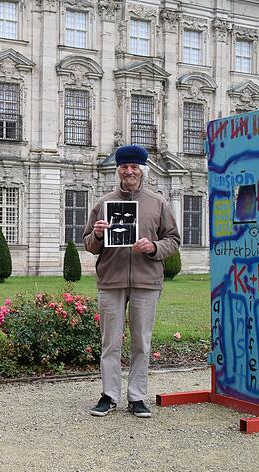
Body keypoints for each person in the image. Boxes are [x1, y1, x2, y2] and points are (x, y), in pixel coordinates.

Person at [83, 145, 181, 418]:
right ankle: (109, 395)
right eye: (124, 167)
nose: (129, 171)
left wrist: (152, 248)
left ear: (143, 170)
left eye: (134, 167)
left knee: (141, 342)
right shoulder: (103, 203)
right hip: (111, 281)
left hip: (146, 281)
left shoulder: (157, 202)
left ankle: (137, 397)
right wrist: (99, 235)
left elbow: (173, 240)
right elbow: (89, 244)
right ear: (119, 170)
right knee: (110, 343)